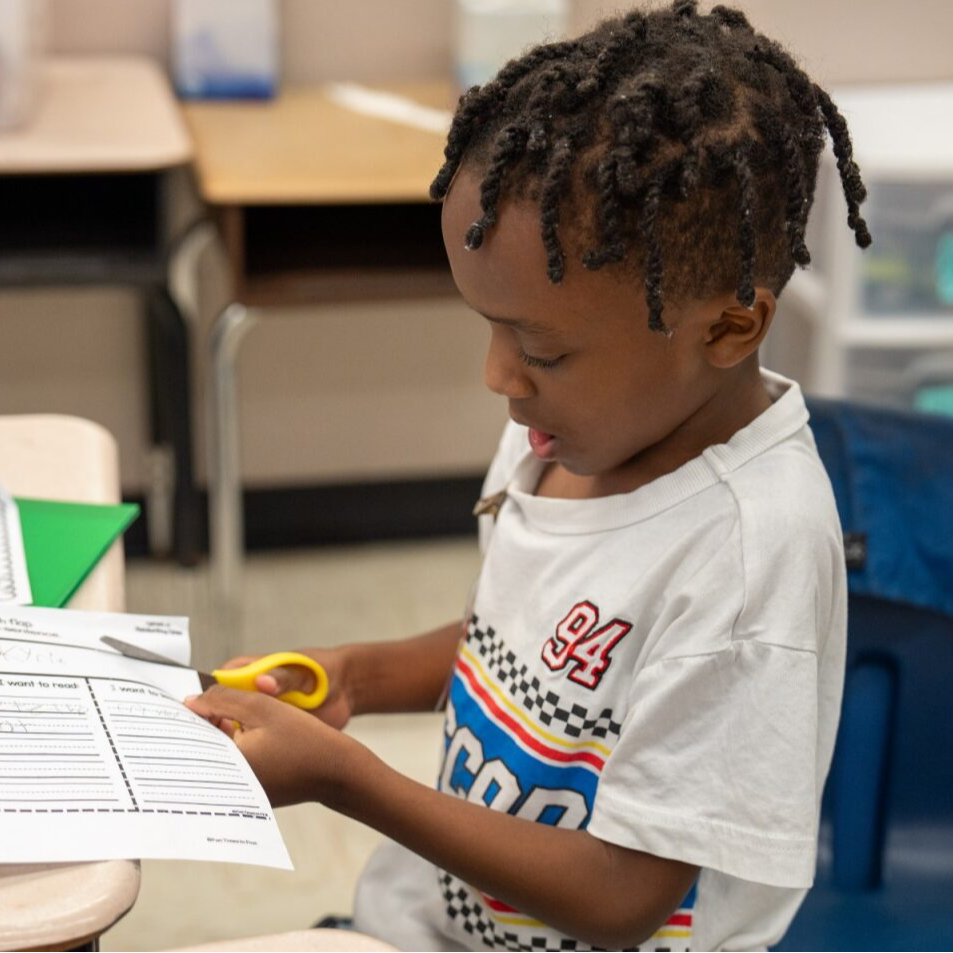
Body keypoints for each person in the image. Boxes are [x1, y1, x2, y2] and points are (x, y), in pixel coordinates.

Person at [185, 2, 871, 950]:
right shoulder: (567, 436)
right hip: (422, 924)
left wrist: (342, 776)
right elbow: (517, 639)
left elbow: (622, 897)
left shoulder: (750, 559)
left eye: (539, 349)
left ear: (728, 328)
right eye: (490, 328)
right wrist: (358, 674)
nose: (498, 377)